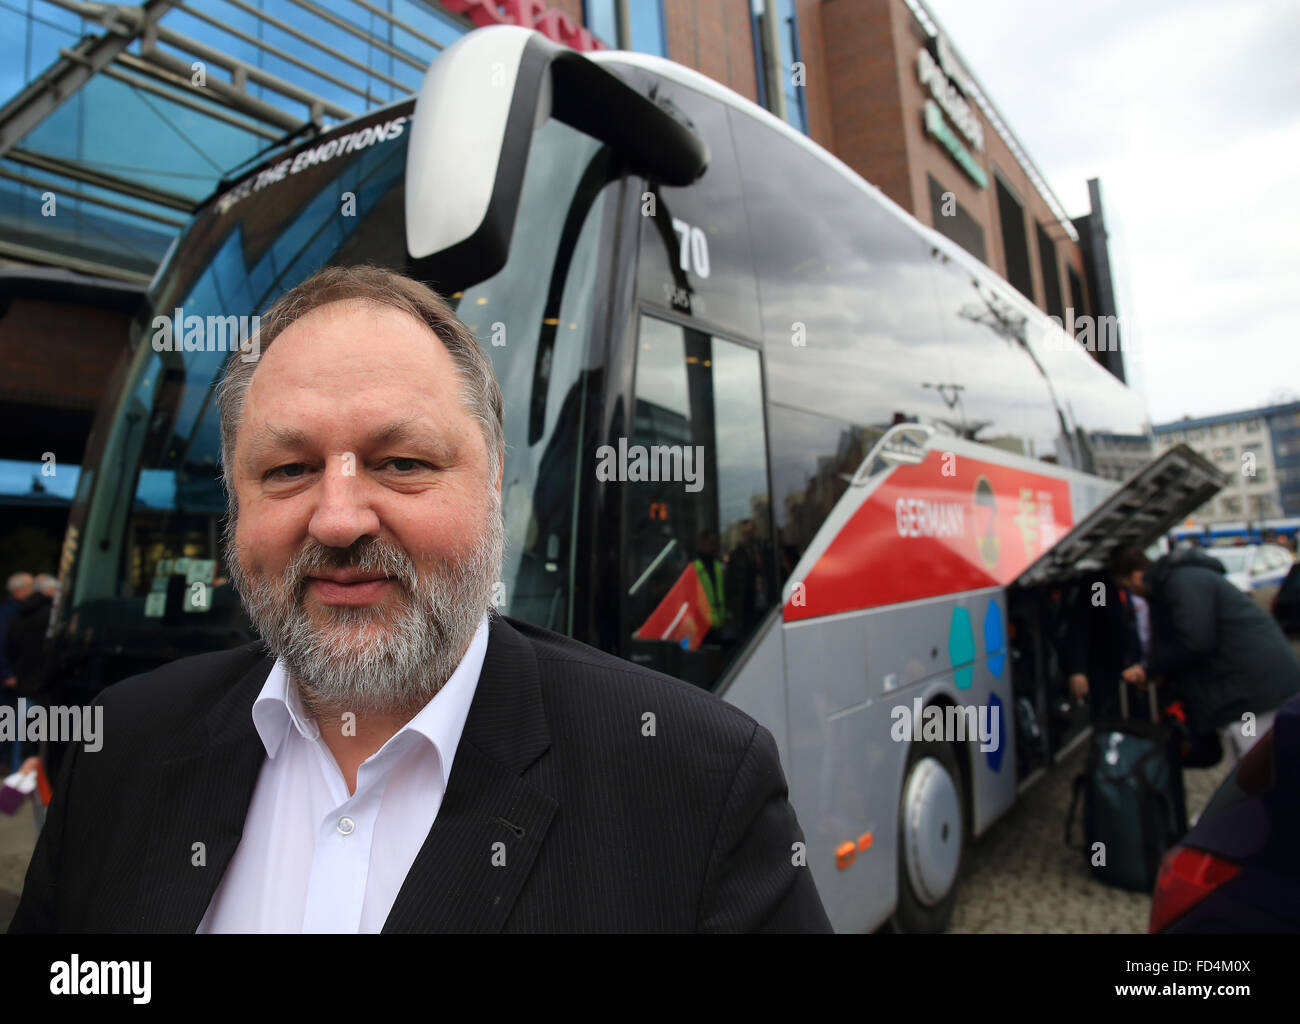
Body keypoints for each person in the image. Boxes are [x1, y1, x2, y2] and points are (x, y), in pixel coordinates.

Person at [10, 266, 830, 934]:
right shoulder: (120, 751)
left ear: (496, 485)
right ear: (237, 502)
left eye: (401, 462)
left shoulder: (694, 788)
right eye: (288, 470)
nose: (337, 519)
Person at [1111, 545, 1300, 762]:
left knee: (1258, 767)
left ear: (1136, 576)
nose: (1131, 592)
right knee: (1254, 767)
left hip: (1252, 700)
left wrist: (1150, 669)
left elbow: (1195, 641)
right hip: (1249, 692)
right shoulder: (1181, 580)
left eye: (1126, 586)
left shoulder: (1182, 581)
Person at [1059, 569, 1142, 722]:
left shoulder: (1110, 588)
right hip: (1103, 663)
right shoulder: (1099, 584)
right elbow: (1093, 619)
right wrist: (1078, 668)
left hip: (1117, 661)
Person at [1, 572, 33, 774]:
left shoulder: (13, 611)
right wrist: (7, 673)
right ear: (20, 591)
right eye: (30, 587)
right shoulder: (10, 613)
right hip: (9, 679)